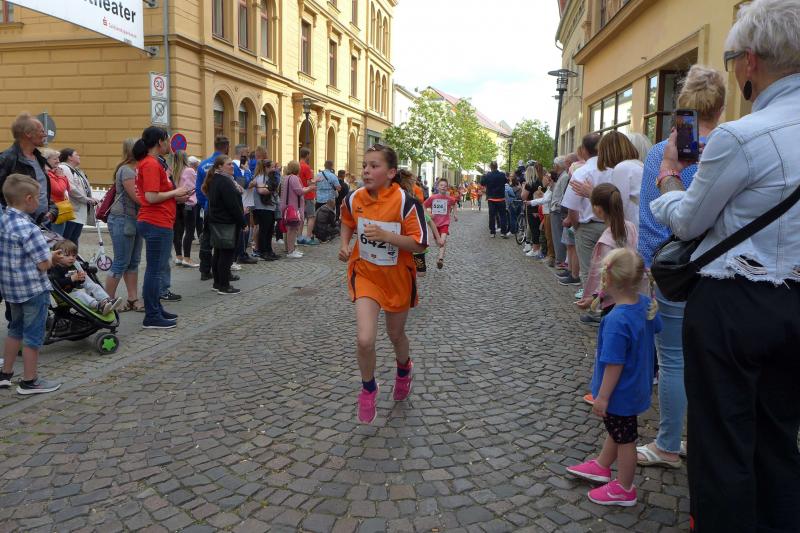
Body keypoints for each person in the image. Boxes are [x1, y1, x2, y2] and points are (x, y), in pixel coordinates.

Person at [651, 2, 800, 528]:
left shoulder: (744, 135)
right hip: (794, 303)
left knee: (722, 443)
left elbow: (687, 222)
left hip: (734, 304)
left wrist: (669, 178)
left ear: (751, 61)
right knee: (779, 439)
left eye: (732, 59)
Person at [634, 65, 725, 473]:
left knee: (672, 359)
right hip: (720, 271)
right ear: (720, 107)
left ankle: (669, 443)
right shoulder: (729, 147)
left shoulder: (661, 154)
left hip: (674, 272)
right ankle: (702, 441)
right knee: (710, 361)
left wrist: (650, 267)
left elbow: (651, 222)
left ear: (682, 106)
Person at [338, 144, 428, 424]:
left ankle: (404, 369)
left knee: (395, 335)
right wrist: (344, 244)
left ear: (390, 173)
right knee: (365, 339)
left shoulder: (405, 202)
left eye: (374, 166)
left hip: (397, 278)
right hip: (366, 274)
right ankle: (368, 389)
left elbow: (420, 245)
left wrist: (388, 237)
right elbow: (347, 220)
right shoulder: (354, 197)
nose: (366, 170)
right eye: (365, 165)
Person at [566, 248, 661, 507]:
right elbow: (657, 327)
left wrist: (603, 397)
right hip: (637, 386)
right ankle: (602, 465)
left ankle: (625, 488)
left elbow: (614, 364)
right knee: (619, 430)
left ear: (606, 280)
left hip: (620, 392)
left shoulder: (616, 319)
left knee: (625, 439)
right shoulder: (645, 304)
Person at [0, 174, 62, 394]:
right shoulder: (30, 229)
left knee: (15, 329)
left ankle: (5, 374)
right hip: (33, 290)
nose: (40, 201)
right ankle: (29, 381)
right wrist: (52, 256)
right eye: (38, 197)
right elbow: (43, 264)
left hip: (11, 289)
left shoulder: (4, 221)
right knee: (33, 336)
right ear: (28, 199)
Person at [134, 127, 192, 329]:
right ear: (160, 141)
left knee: (156, 270)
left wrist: (177, 196)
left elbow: (158, 194)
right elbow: (151, 197)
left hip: (159, 220)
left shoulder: (152, 162)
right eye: (167, 140)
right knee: (154, 271)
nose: (169, 144)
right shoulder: (150, 164)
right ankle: (151, 315)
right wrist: (175, 192)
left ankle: (156, 309)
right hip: (156, 222)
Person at [561, 133, 610, 301]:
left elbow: (572, 206)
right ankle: (606, 305)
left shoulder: (581, 173)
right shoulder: (612, 171)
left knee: (589, 271)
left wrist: (577, 227)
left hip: (587, 226)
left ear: (583, 150)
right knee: (608, 268)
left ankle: (592, 306)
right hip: (609, 225)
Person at [570, 132, 643, 227]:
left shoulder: (622, 168)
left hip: (634, 228)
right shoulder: (636, 165)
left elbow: (617, 209)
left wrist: (592, 194)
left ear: (608, 152)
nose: (599, 156)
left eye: (600, 151)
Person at [105, 138, 144, 312]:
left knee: (133, 262)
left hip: (135, 219)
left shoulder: (138, 168)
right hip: (122, 220)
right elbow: (138, 197)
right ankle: (107, 301)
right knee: (121, 262)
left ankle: (133, 298)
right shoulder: (126, 170)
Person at [0, 113, 56, 225]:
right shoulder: (6, 159)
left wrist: (52, 209)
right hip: (18, 226)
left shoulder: (39, 158)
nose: (45, 134)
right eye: (41, 131)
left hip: (42, 223)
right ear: (28, 133)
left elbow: (42, 189)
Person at [203, 156, 244, 294]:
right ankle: (224, 285)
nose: (232, 166)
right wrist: (242, 222)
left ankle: (217, 283)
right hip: (226, 222)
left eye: (232, 164)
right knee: (226, 255)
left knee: (219, 253)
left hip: (217, 221)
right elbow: (232, 205)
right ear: (220, 166)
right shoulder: (225, 182)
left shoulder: (216, 179)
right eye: (229, 164)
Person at [50, 240, 124, 314]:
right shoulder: (55, 268)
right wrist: (72, 278)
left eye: (74, 255)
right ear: (57, 256)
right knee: (80, 294)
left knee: (94, 286)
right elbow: (58, 283)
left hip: (75, 289)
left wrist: (81, 278)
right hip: (65, 295)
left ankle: (106, 301)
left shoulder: (72, 266)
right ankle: (98, 306)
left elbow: (79, 282)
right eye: (67, 255)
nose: (71, 258)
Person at [196, 136, 234, 281]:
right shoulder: (228, 164)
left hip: (208, 208)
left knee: (206, 239)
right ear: (227, 147)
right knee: (225, 241)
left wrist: (205, 204)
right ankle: (225, 272)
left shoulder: (203, 164)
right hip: (224, 212)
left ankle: (205, 270)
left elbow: (199, 189)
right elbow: (235, 185)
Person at [59, 148, 97, 244]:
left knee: (74, 238)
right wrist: (86, 199)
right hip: (72, 210)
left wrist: (89, 198)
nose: (79, 157)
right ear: (69, 157)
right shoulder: (64, 168)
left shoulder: (75, 170)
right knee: (68, 240)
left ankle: (73, 254)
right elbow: (71, 188)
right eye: (76, 155)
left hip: (78, 211)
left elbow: (81, 188)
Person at [170, 150, 198, 268]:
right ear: (185, 158)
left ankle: (178, 256)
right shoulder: (189, 170)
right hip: (188, 203)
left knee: (178, 230)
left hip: (176, 203)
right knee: (190, 231)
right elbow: (193, 187)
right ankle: (187, 258)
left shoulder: (172, 171)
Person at [280, 160, 312, 258]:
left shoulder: (286, 177)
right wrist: (310, 188)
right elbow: (299, 191)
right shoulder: (294, 178)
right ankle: (291, 251)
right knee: (292, 230)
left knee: (290, 230)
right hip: (293, 207)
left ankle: (291, 249)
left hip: (288, 206)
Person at [424, 178, 458, 269]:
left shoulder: (449, 198)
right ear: (438, 187)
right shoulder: (433, 198)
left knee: (442, 241)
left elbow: (454, 204)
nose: (443, 187)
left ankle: (440, 259)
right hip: (434, 225)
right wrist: (428, 214)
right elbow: (423, 206)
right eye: (441, 185)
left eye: (445, 186)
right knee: (439, 243)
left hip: (445, 223)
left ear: (447, 188)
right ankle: (440, 255)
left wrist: (455, 214)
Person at [252, 159, 281, 261]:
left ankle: (269, 250)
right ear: (266, 168)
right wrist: (272, 189)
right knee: (264, 231)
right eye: (272, 167)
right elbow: (262, 191)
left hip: (270, 207)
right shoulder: (260, 177)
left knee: (270, 231)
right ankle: (263, 251)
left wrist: (271, 188)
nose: (274, 169)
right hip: (262, 207)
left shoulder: (270, 177)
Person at [43, 148, 70, 235]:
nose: (58, 161)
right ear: (46, 160)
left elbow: (67, 188)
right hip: (54, 210)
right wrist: (61, 176)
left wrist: (60, 176)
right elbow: (60, 190)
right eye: (55, 159)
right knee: (56, 237)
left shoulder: (54, 172)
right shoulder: (47, 174)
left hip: (60, 209)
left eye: (58, 158)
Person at [480, 161, 509, 237]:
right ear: (497, 166)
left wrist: (484, 175)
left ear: (490, 167)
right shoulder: (502, 175)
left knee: (492, 216)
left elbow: (482, 183)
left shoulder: (488, 175)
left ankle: (492, 232)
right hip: (501, 199)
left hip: (491, 199)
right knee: (503, 216)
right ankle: (503, 232)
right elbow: (507, 181)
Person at [297, 147, 319, 246]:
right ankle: (308, 238)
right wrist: (316, 180)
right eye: (309, 154)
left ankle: (299, 237)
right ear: (307, 155)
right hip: (308, 194)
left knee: (302, 217)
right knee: (311, 217)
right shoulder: (306, 167)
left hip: (300, 194)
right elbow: (309, 182)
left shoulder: (297, 166)